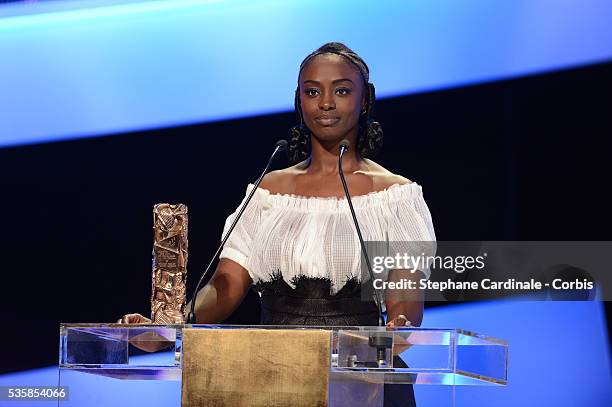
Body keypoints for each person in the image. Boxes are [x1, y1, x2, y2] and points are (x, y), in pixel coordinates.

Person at [120, 42, 436, 407]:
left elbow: (405, 301)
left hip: (362, 380)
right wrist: (172, 327)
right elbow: (227, 285)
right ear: (299, 100)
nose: (326, 103)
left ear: (365, 100)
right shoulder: (268, 193)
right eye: (312, 91)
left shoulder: (396, 197)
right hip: (270, 376)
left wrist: (398, 327)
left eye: (342, 90)